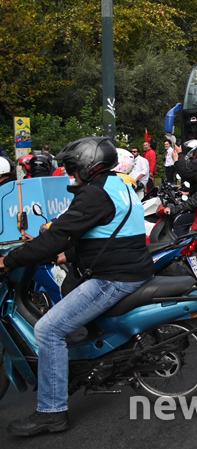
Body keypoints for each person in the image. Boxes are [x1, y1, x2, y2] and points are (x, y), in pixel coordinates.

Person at [0, 137, 153, 436]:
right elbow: (107, 229)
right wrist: (67, 254)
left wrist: (9, 262)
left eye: (73, 169)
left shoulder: (94, 194)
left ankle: (52, 412)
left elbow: (60, 234)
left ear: (88, 165)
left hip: (112, 278)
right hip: (130, 268)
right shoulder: (120, 184)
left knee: (48, 329)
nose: (72, 175)